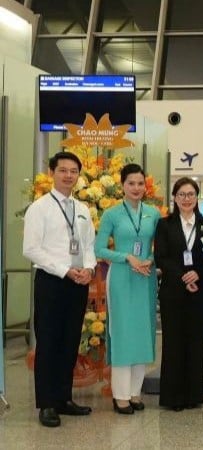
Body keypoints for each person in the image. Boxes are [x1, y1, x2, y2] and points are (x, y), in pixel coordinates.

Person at [23, 151, 96, 427]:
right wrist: (64, 270)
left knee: (69, 341)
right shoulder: (39, 208)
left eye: (73, 171)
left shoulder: (82, 209)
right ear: (53, 172)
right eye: (63, 170)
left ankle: (64, 398)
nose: (68, 175)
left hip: (78, 283)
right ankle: (47, 404)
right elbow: (31, 249)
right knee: (49, 342)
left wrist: (88, 268)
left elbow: (89, 244)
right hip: (52, 282)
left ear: (79, 175)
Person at [95, 163, 159, 414]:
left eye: (140, 183)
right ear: (122, 186)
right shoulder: (111, 214)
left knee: (143, 333)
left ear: (146, 186)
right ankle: (120, 395)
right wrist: (127, 257)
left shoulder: (152, 213)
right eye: (131, 183)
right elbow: (99, 249)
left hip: (146, 276)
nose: (136, 188)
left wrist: (150, 259)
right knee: (122, 333)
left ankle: (135, 392)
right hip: (121, 276)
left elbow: (159, 246)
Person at [154, 177, 203, 411]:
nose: (187, 199)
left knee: (196, 342)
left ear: (197, 197)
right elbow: (162, 256)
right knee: (173, 343)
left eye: (191, 194)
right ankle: (173, 397)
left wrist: (197, 274)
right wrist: (183, 276)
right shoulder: (165, 224)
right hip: (172, 291)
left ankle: (193, 396)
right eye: (182, 195)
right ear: (175, 198)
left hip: (200, 292)